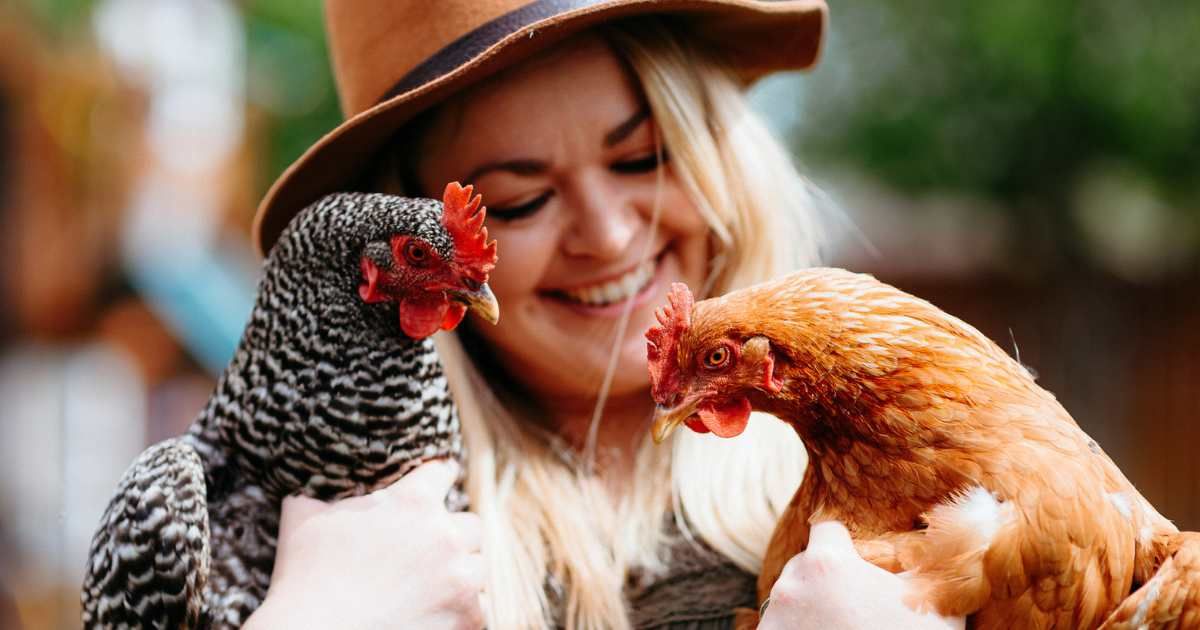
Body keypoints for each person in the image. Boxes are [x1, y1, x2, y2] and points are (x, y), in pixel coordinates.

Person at [244, 2, 964, 628]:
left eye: (642, 159)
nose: (612, 236)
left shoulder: (938, 483)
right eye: (521, 203)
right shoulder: (322, 548)